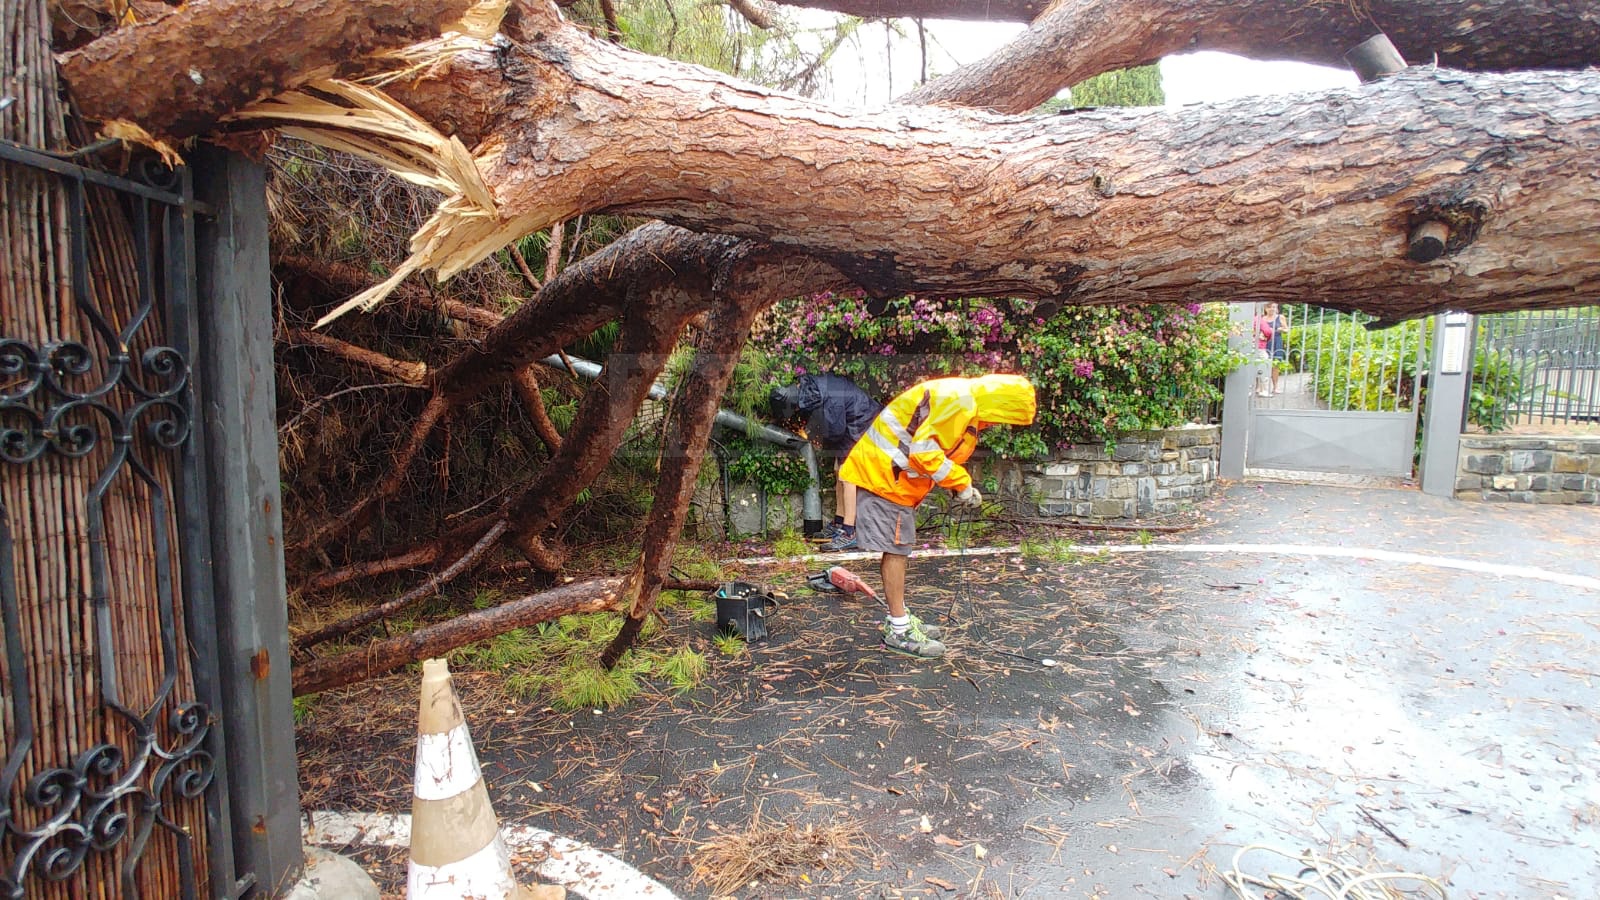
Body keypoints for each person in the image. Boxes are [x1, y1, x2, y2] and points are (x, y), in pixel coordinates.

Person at [837, 373, 1037, 658]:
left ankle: (900, 618)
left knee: (898, 548)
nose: (998, 424)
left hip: (890, 479)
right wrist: (961, 482)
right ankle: (898, 628)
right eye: (1005, 418)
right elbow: (924, 452)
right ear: (1000, 404)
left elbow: (934, 449)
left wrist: (957, 486)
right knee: (896, 550)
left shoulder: (964, 402)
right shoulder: (960, 401)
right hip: (883, 478)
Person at [769, 373, 881, 551]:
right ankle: (839, 523)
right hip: (853, 424)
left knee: (848, 475)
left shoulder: (824, 397)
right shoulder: (810, 389)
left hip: (864, 423)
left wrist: (816, 437)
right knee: (839, 470)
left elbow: (835, 430)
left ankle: (850, 532)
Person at [1253, 302, 1289, 396]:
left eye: (1273, 307)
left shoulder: (1280, 317)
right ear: (1265, 308)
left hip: (1276, 341)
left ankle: (1275, 387)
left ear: (1276, 308)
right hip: (1265, 342)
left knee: (1275, 364)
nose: (1271, 309)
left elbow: (1287, 329)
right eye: (1269, 307)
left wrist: (1281, 329)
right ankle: (1258, 386)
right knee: (1261, 364)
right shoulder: (1262, 318)